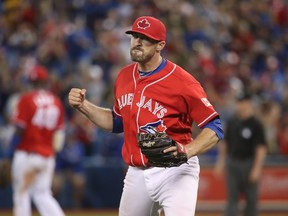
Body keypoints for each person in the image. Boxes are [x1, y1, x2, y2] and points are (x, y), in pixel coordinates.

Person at [68, 16, 224, 216]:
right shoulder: (124, 76)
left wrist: (188, 150)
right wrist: (83, 106)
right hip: (136, 173)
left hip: (176, 170)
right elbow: (116, 123)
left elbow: (215, 126)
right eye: (134, 36)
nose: (137, 42)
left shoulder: (183, 82)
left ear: (160, 45)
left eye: (145, 38)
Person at [3, 64, 66, 216]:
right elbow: (58, 136)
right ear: (45, 82)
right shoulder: (56, 102)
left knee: (22, 193)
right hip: (47, 155)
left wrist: (7, 154)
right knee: (42, 194)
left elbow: (19, 129)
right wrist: (52, 155)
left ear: (31, 82)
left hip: (28, 153)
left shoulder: (26, 99)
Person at [214, 91, 267, 216]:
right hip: (232, 163)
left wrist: (257, 169)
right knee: (232, 198)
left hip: (249, 163)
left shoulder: (256, 124)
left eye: (242, 102)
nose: (239, 105)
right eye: (238, 102)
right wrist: (221, 162)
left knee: (251, 199)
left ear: (248, 103)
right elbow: (225, 143)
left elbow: (261, 148)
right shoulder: (233, 122)